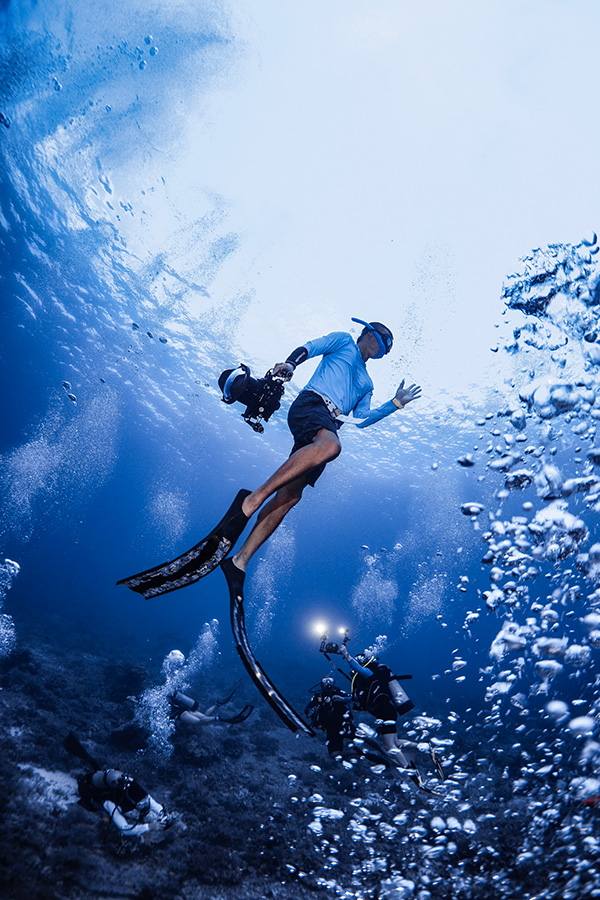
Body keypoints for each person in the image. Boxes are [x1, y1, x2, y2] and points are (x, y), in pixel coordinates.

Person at [220, 318, 421, 597]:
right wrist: (291, 363)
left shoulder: (367, 383)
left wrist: (395, 404)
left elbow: (360, 420)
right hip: (311, 405)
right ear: (369, 333)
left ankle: (239, 562)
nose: (386, 347)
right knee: (332, 447)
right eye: (385, 340)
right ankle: (251, 500)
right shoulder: (343, 341)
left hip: (327, 426)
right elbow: (312, 347)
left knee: (292, 496)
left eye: (388, 347)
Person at [64, 733, 171, 838]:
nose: (146, 804)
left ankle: (87, 763)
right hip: (90, 797)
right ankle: (80, 782)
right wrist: (149, 827)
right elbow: (125, 829)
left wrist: (164, 814)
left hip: (108, 782)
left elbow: (152, 803)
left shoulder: (134, 789)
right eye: (142, 803)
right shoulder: (111, 804)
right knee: (92, 805)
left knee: (95, 766)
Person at [339, 643, 415, 769]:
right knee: (395, 742)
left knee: (389, 747)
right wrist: (343, 699)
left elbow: (358, 669)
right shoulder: (368, 684)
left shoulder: (369, 673)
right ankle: (424, 747)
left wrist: (346, 654)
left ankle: (410, 771)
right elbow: (360, 698)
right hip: (387, 713)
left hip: (386, 713)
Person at [305, 675, 355, 758]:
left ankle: (382, 750)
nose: (328, 683)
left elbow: (352, 698)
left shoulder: (339, 692)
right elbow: (307, 711)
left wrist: (343, 699)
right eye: (325, 681)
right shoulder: (318, 697)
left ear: (334, 683)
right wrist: (317, 706)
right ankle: (356, 752)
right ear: (321, 684)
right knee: (334, 754)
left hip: (344, 725)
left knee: (364, 738)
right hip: (331, 729)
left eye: (330, 681)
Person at [168, 688, 253, 726]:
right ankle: (217, 705)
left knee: (200, 722)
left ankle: (218, 718)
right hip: (184, 706)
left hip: (180, 712)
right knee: (204, 717)